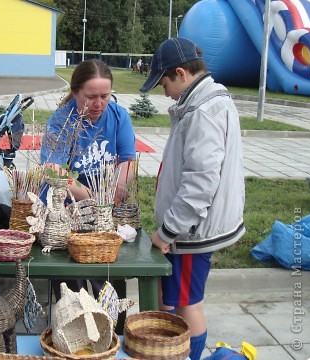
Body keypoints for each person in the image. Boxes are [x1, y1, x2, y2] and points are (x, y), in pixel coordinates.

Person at [140, 38, 245, 360]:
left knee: (188, 302)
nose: (164, 92)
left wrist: (168, 231)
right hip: (188, 228)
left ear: (181, 73)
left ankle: (192, 356)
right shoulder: (203, 102)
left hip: (191, 231)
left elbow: (200, 182)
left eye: (164, 83)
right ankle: (172, 350)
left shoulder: (203, 111)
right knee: (174, 297)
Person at [40, 59, 137, 299]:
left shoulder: (118, 116)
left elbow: (127, 160)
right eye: (91, 96)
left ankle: (113, 326)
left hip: (104, 210)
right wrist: (94, 198)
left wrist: (118, 189)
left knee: (110, 279)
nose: (99, 103)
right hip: (67, 210)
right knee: (74, 289)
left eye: (105, 96)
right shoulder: (62, 121)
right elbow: (54, 170)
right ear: (75, 93)